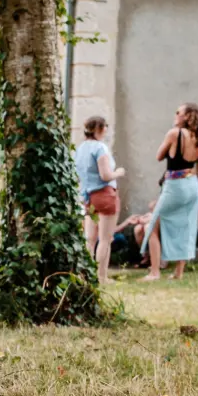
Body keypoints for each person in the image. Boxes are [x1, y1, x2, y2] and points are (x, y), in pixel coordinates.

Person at [141, 103, 198, 281]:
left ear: (186, 117)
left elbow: (159, 156)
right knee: (185, 226)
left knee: (151, 225)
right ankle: (178, 272)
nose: (175, 115)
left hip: (175, 184)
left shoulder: (174, 134)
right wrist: (194, 188)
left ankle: (155, 271)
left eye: (178, 112)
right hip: (192, 184)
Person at [75, 116, 125, 284]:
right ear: (100, 129)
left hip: (88, 197)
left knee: (90, 238)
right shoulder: (100, 148)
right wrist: (118, 172)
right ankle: (101, 277)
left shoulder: (81, 149)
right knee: (105, 239)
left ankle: (86, 275)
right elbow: (105, 175)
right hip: (104, 195)